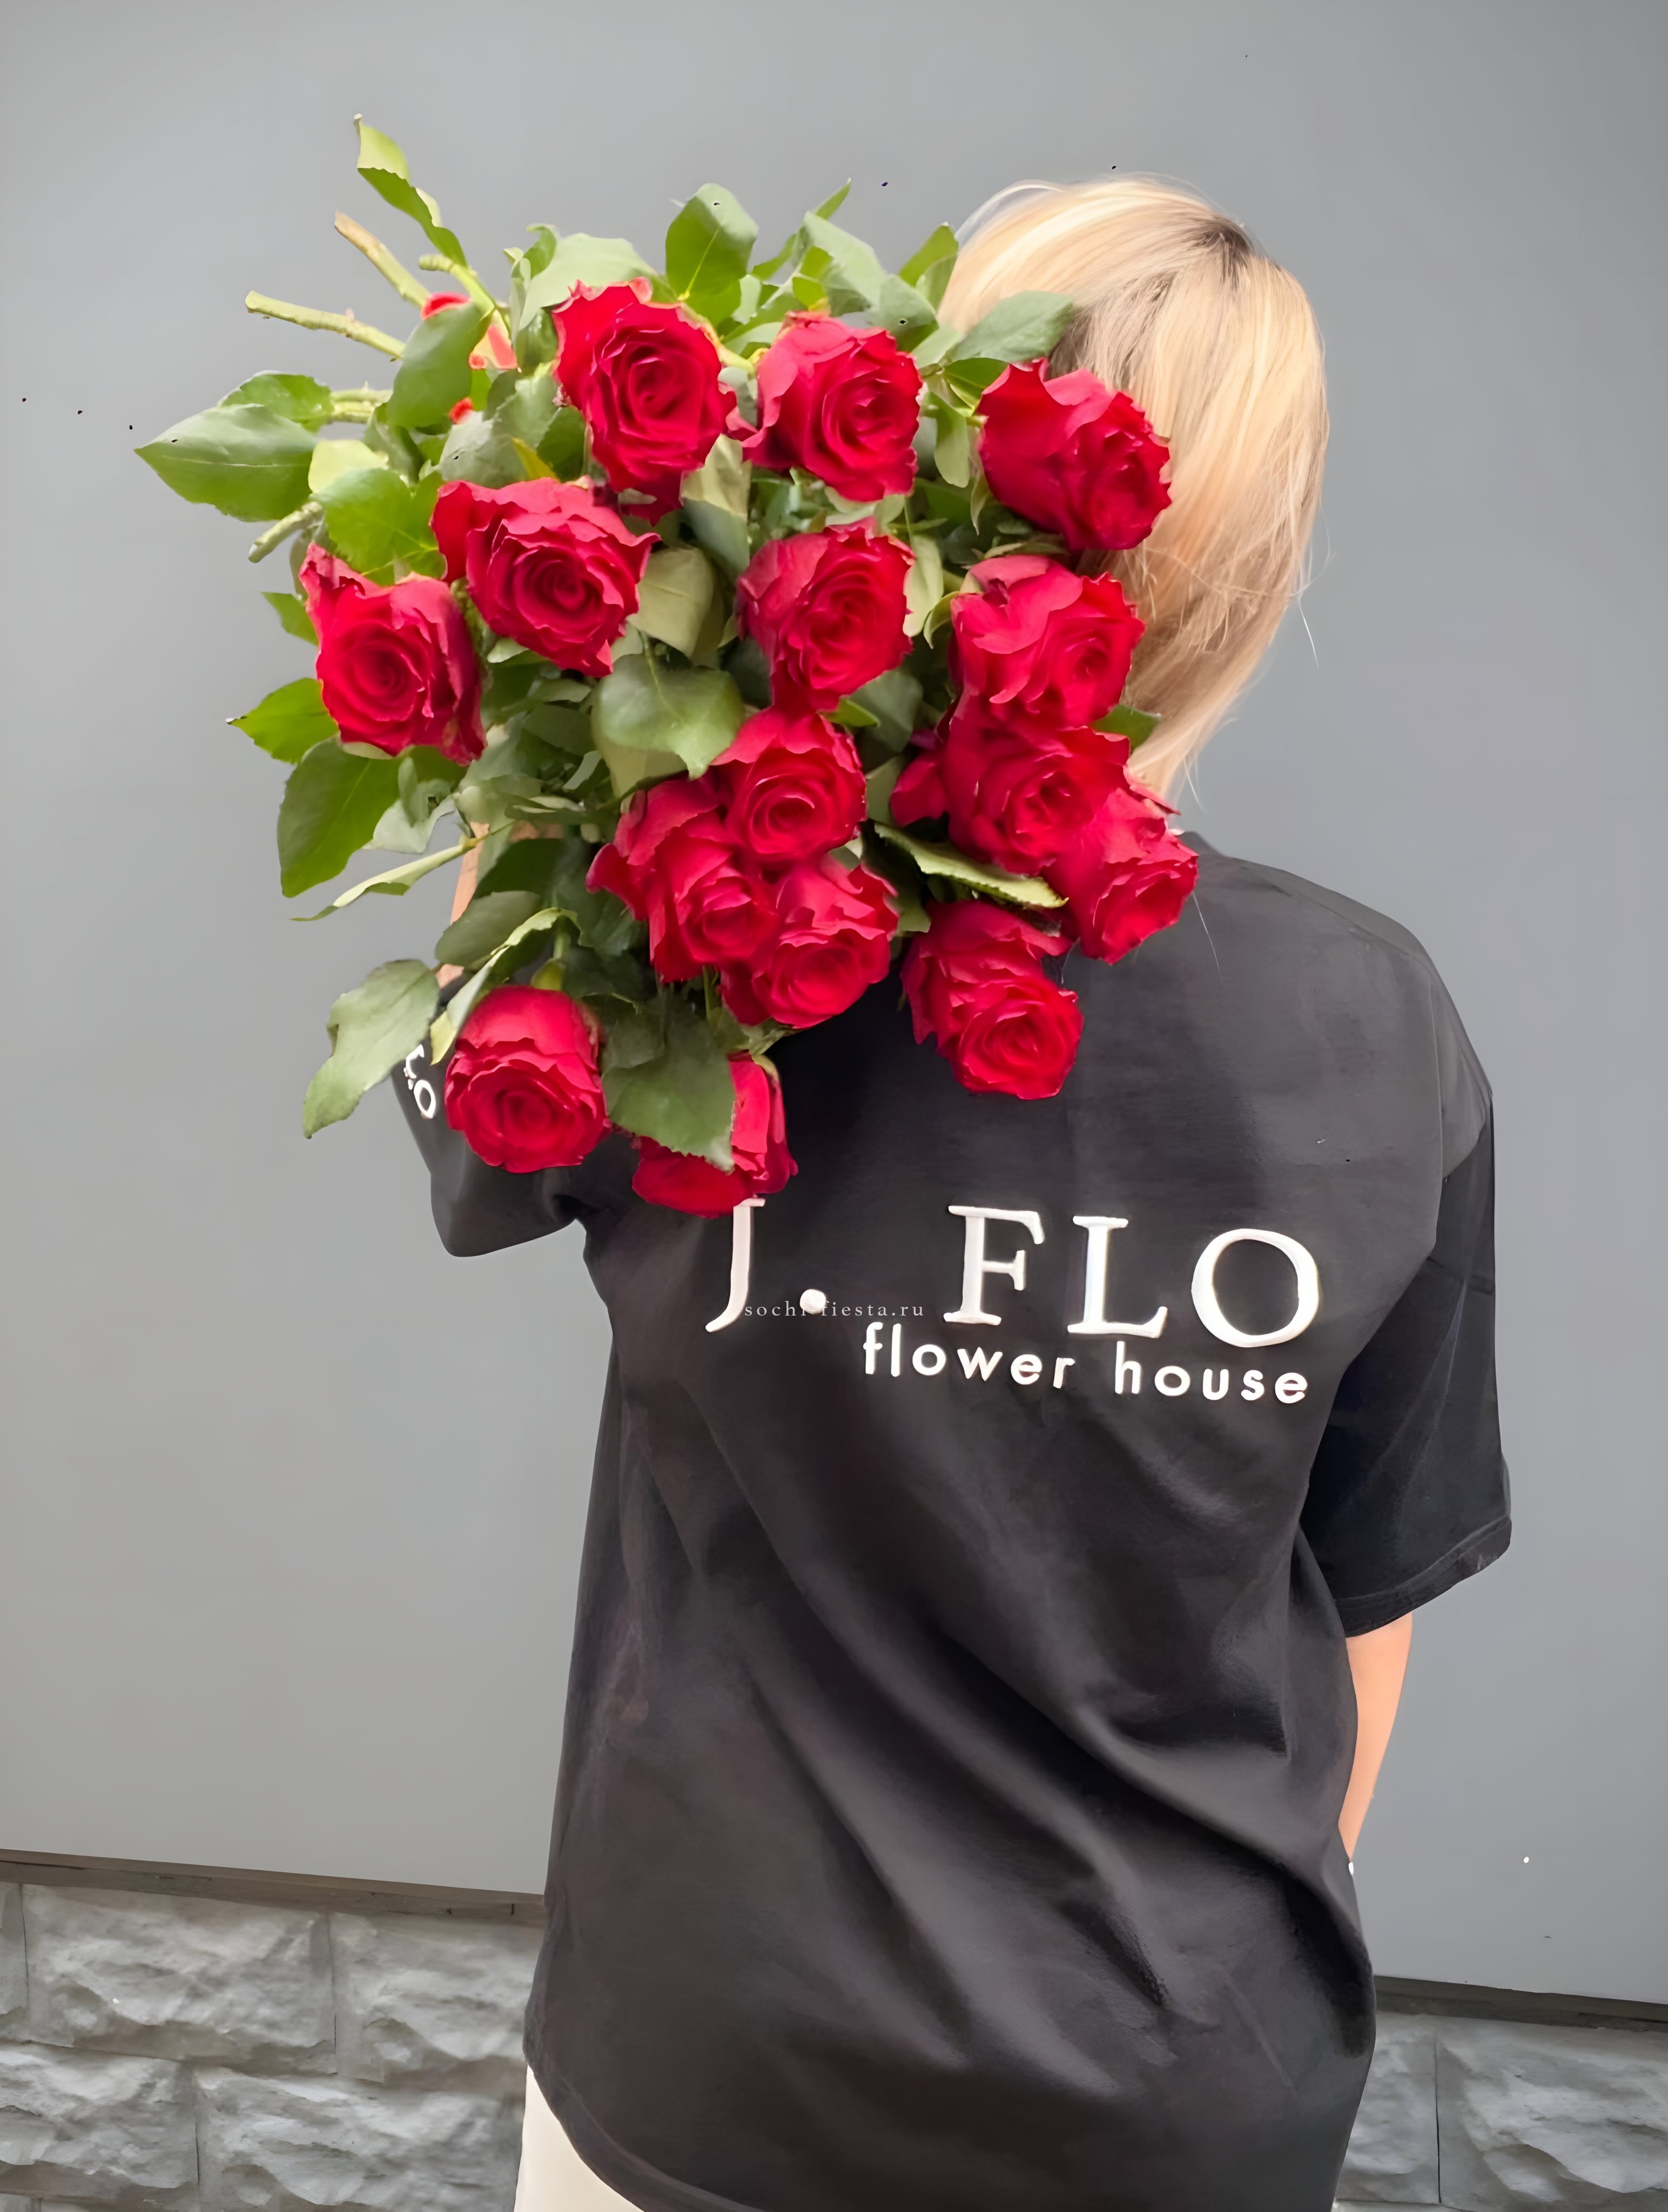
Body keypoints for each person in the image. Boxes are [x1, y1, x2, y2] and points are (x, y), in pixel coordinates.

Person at [399, 178, 1509, 2212]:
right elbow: (1374, 1588)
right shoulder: (1374, 1022)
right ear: (1261, 563)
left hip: (713, 2062)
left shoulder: (682, 939)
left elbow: (482, 1133)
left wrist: (534, 647)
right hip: (1173, 2084)